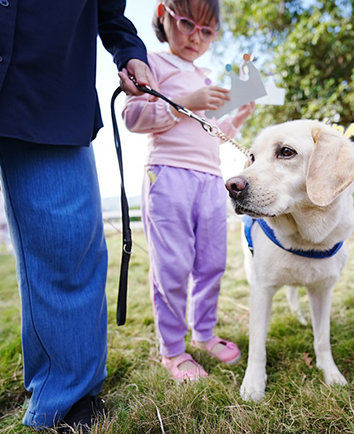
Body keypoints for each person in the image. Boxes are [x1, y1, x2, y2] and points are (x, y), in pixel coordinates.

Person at [0, 1, 156, 431]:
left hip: (51, 81)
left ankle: (66, 400)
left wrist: (130, 51)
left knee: (68, 242)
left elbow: (110, 11)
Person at [122, 0, 255, 381]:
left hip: (210, 178)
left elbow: (209, 132)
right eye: (186, 24)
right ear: (163, 15)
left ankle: (204, 333)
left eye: (207, 31)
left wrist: (235, 119)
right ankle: (173, 350)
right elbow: (133, 117)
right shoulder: (151, 62)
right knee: (173, 266)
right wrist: (186, 103)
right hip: (168, 176)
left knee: (212, 262)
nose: (196, 37)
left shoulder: (206, 73)